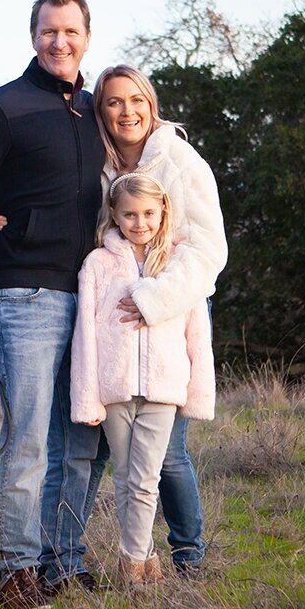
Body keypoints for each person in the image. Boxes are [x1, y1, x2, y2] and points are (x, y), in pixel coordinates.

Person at [0, 64, 227, 574]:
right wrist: (1, 219)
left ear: (151, 103)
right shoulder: (97, 163)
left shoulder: (179, 160)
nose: (127, 111)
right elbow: (69, 217)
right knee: (89, 449)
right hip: (108, 323)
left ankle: (188, 556)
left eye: (136, 100)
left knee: (166, 455)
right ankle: (66, 560)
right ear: (101, 111)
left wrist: (154, 299)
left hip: (169, 315)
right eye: (114, 102)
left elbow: (209, 249)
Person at [0, 0, 106, 609]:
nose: (58, 42)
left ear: (87, 36)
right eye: (47, 32)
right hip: (25, 297)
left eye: (69, 31)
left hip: (90, 295)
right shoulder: (0, 109)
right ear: (32, 36)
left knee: (82, 441)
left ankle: (65, 561)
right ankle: (18, 572)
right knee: (31, 441)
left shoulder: (94, 111)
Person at [70, 173, 215, 585]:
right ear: (114, 214)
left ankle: (131, 564)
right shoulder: (97, 264)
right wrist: (88, 397)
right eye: (130, 214)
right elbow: (86, 334)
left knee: (146, 477)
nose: (140, 222)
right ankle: (147, 557)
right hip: (113, 389)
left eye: (149, 213)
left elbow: (196, 332)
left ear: (162, 211)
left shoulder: (177, 263)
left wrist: (197, 391)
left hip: (163, 389)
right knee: (125, 479)